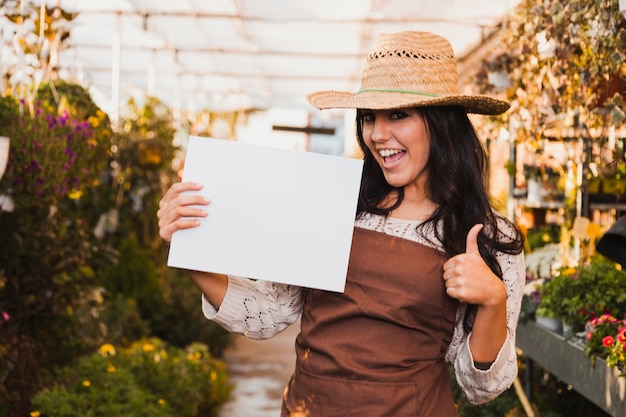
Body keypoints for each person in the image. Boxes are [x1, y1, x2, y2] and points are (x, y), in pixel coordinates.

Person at [158, 31, 526, 417]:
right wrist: (189, 249)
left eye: (398, 114)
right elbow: (268, 313)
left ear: (442, 123)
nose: (378, 134)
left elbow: (481, 387)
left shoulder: (485, 236)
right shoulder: (334, 204)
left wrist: (492, 300)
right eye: (368, 117)